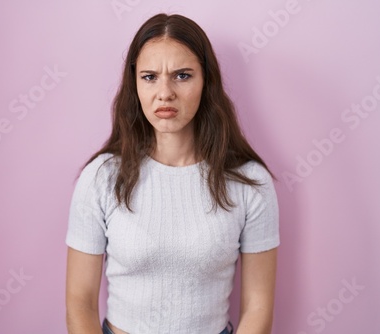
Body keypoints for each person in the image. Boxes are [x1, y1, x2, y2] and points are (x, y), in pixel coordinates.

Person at [65, 13, 279, 334]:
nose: (165, 93)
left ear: (206, 82)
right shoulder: (100, 178)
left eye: (182, 75)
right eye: (150, 77)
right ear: (134, 83)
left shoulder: (250, 182)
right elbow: (79, 302)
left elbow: (258, 306)